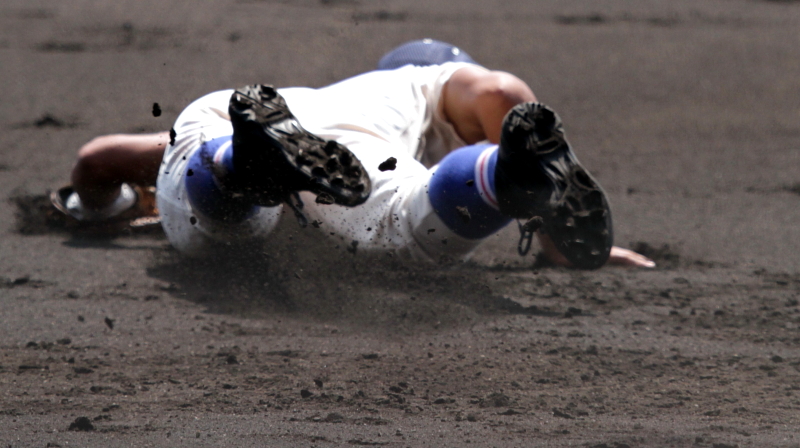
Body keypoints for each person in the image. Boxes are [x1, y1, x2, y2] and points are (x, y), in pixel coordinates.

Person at [59, 39, 654, 269]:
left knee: (221, 212)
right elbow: (498, 92)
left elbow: (96, 160)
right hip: (356, 156)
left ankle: (243, 162)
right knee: (410, 227)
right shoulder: (425, 87)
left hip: (222, 112)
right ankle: (501, 177)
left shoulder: (348, 94)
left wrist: (105, 210)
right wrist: (558, 239)